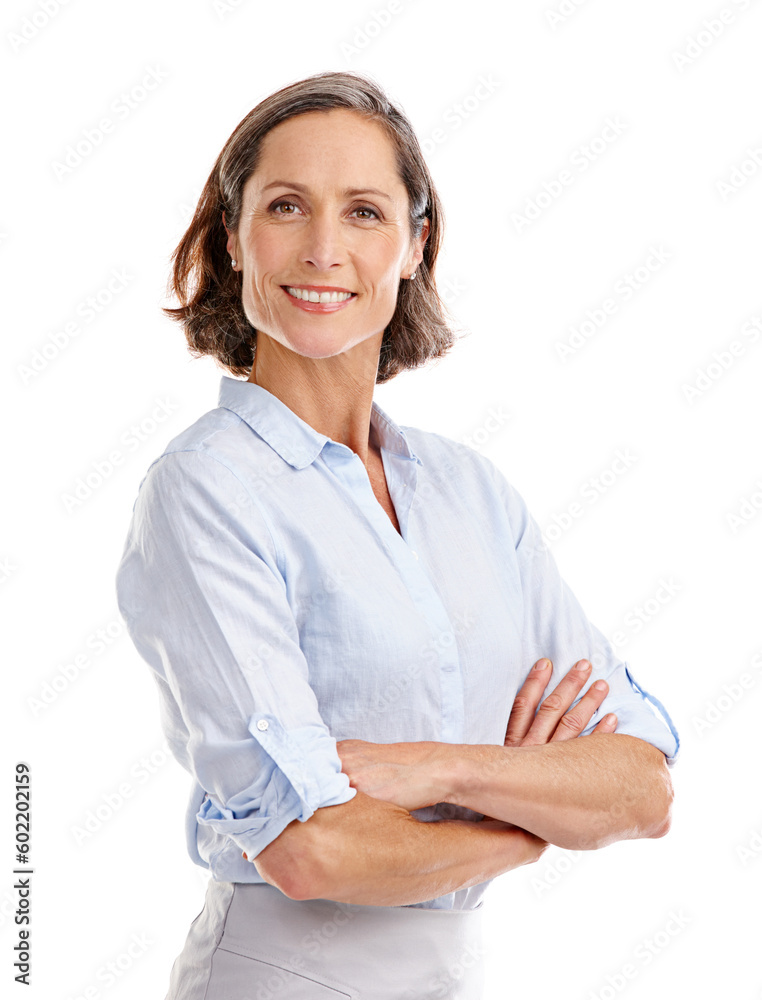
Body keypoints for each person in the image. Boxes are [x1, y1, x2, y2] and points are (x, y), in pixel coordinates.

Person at [115, 70, 679, 999]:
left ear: (416, 246)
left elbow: (643, 788)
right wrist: (530, 820)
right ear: (233, 236)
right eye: (286, 206)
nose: (324, 248)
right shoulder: (206, 490)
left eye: (366, 213)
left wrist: (438, 770)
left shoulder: (470, 493)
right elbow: (311, 851)